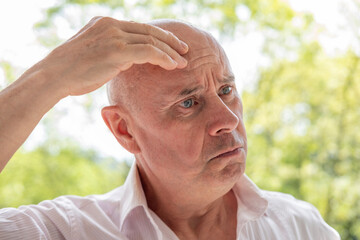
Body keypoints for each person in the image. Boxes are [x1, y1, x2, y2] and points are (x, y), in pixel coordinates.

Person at [0, 17, 340, 240]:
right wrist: (50, 76)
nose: (228, 121)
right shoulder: (72, 231)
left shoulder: (300, 226)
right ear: (124, 131)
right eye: (188, 103)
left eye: (226, 91)